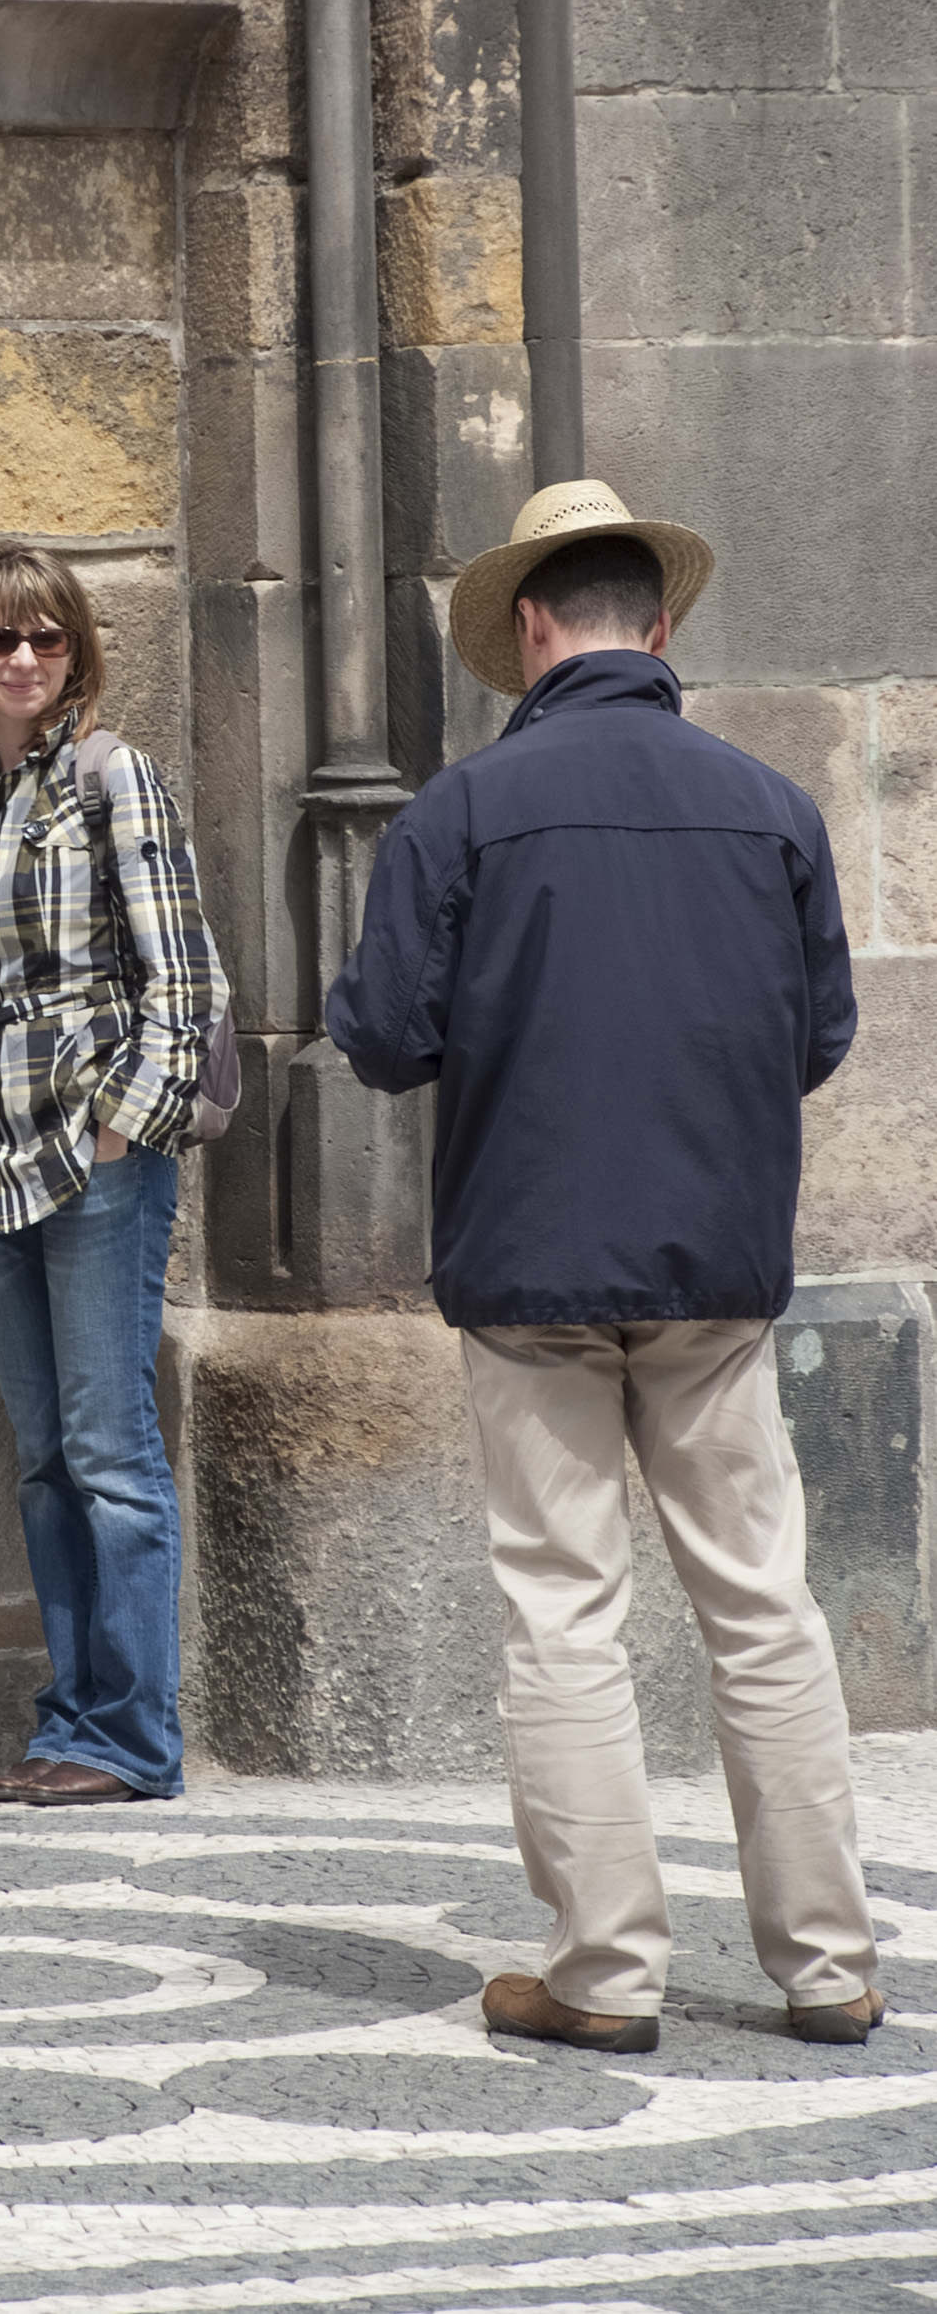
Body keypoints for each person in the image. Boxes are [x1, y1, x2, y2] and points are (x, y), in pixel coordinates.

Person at [327, 478, 880, 2053]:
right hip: (716, 1261)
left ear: (528, 627)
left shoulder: (459, 812)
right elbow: (819, 1036)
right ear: (661, 622)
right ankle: (827, 1962)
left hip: (530, 1263)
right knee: (763, 1603)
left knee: (564, 1610)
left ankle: (605, 1973)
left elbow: (379, 1034)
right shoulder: (773, 806)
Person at [0, 540, 230, 1805]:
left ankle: (132, 1737)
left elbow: (183, 979)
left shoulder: (112, 776)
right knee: (43, 1457)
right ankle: (69, 1717)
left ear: (76, 651)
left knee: (110, 1453)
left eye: (47, 637)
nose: (24, 659)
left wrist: (119, 1128)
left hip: (94, 1165)